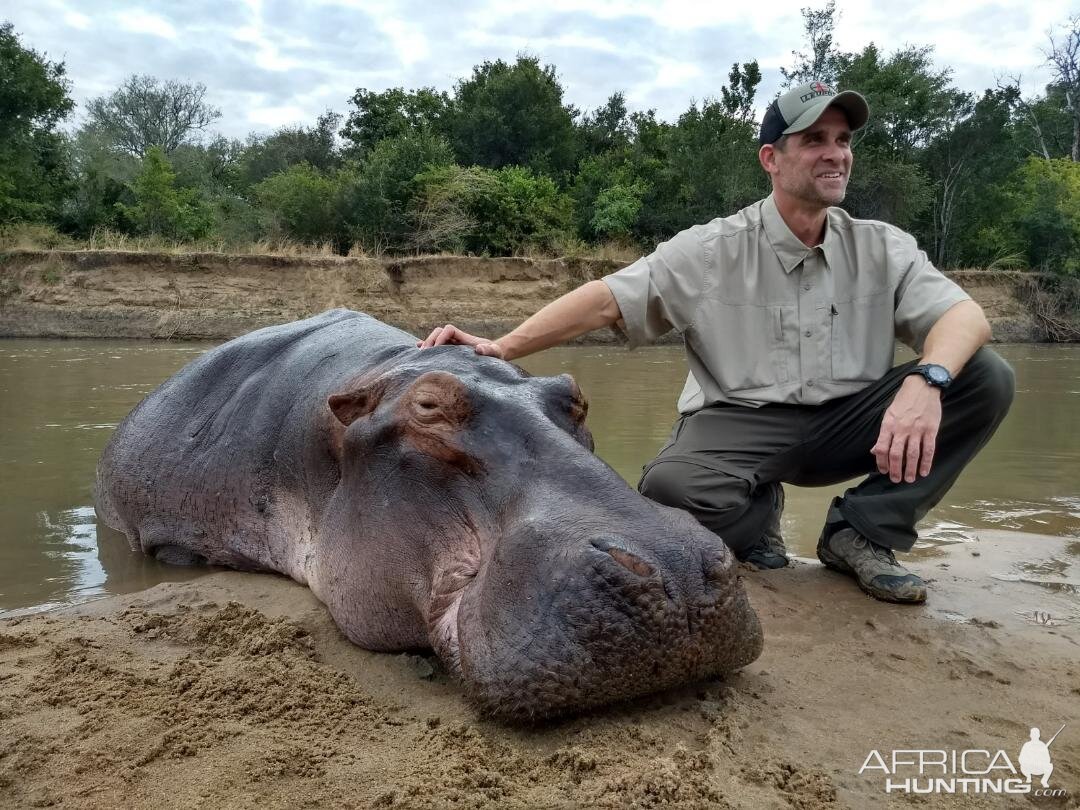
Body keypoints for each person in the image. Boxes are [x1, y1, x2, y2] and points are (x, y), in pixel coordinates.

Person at [418, 80, 1015, 604]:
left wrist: (926, 380)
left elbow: (964, 316)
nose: (835, 153)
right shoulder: (710, 249)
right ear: (771, 160)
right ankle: (756, 519)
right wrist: (501, 347)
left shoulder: (882, 246)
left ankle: (863, 532)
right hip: (741, 422)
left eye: (842, 139)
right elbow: (607, 299)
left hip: (850, 421)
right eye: (814, 140)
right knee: (669, 495)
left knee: (984, 376)